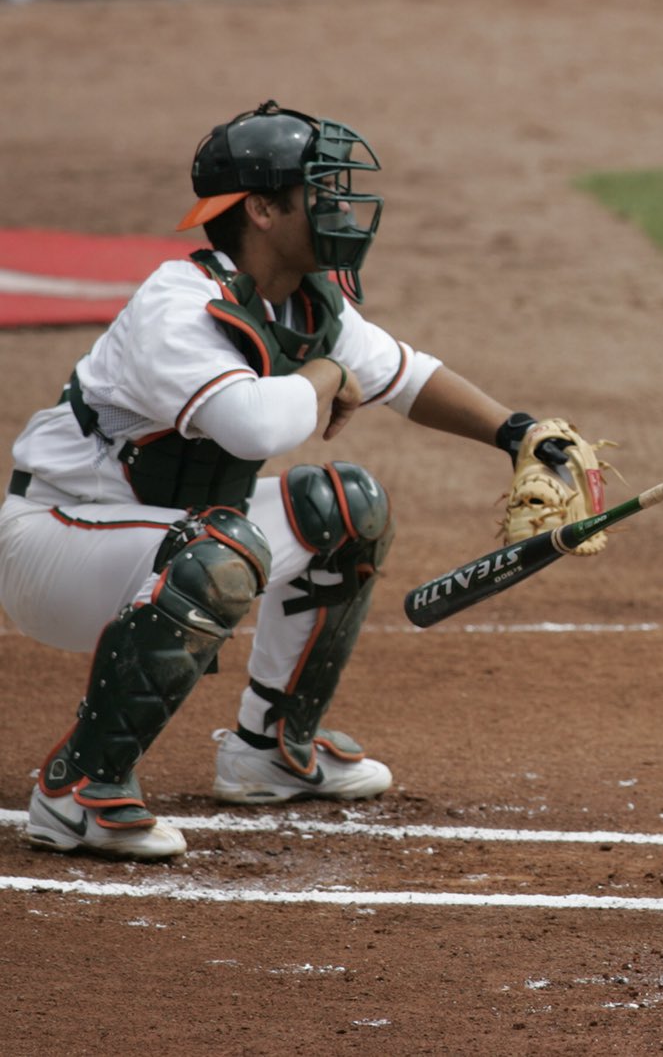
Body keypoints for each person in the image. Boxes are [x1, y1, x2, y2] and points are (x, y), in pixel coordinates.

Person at [2, 101, 597, 860]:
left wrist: (521, 434)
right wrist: (325, 373)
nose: (343, 206)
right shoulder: (178, 306)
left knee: (345, 507)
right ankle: (77, 789)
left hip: (160, 534)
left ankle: (269, 748)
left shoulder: (306, 301)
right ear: (261, 207)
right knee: (219, 547)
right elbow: (256, 427)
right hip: (58, 545)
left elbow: (407, 376)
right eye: (322, 189)